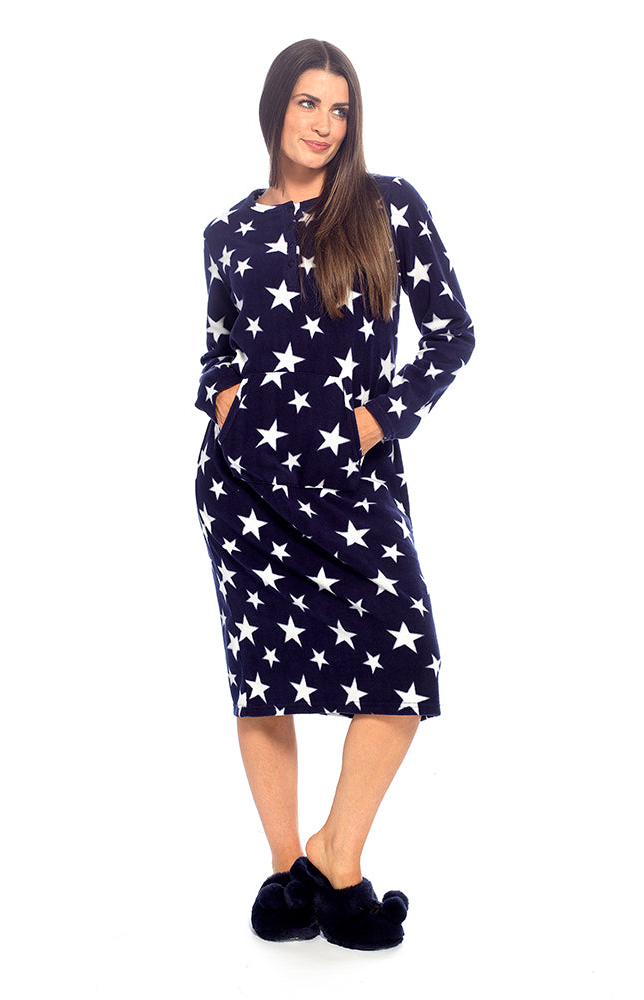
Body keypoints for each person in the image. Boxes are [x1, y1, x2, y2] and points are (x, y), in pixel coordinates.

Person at [194, 38, 475, 950]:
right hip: (244, 488)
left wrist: (374, 421)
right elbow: (217, 351)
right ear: (276, 106)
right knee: (263, 682)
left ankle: (334, 857)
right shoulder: (227, 234)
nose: (322, 124)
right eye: (307, 103)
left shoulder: (386, 207)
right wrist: (226, 399)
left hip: (352, 481)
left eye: (340, 108)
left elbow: (452, 333)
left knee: (403, 664)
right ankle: (289, 878)